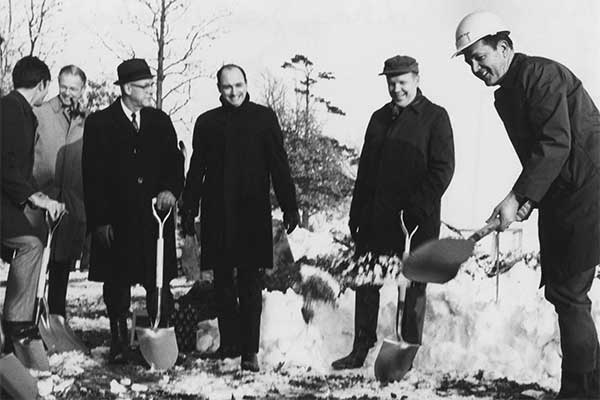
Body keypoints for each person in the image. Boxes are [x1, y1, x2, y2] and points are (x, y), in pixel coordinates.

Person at [453, 10, 600, 398]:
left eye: (479, 56)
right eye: (468, 60)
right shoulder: (510, 92)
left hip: (588, 192)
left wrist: (519, 195)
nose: (474, 66)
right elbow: (542, 156)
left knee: (570, 294)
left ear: (503, 48)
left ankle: (581, 392)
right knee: (562, 291)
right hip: (561, 194)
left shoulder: (541, 77)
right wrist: (527, 199)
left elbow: (556, 145)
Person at [332, 55, 455, 371]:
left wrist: (418, 207)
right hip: (376, 219)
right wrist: (355, 214)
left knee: (412, 288)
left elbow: (443, 169)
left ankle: (404, 354)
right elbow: (366, 172)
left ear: (416, 78)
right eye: (391, 82)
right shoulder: (378, 118)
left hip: (415, 224)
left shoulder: (435, 117)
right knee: (368, 282)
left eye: (402, 82)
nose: (396, 88)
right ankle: (360, 348)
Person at [181, 64, 300, 372]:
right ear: (219, 89)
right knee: (221, 283)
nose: (233, 92)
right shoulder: (207, 122)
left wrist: (290, 205)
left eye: (238, 85)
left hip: (251, 213)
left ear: (247, 84)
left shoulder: (263, 118)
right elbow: (196, 170)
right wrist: (188, 208)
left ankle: (249, 350)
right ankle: (230, 344)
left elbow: (279, 164)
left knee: (249, 283)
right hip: (217, 213)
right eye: (227, 87)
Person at [82, 58, 183, 364]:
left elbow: (174, 163)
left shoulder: (159, 121)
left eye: (150, 84)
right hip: (118, 220)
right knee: (117, 283)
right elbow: (92, 176)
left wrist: (170, 190)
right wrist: (99, 221)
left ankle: (158, 331)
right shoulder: (100, 124)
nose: (150, 90)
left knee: (158, 280)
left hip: (154, 220)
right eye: (144, 86)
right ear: (126, 88)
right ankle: (117, 339)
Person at [1, 56, 65, 351]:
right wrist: (34, 197)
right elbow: (4, 164)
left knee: (33, 241)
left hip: (7, 200)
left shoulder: (20, 110)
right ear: (42, 84)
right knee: (29, 245)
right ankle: (16, 323)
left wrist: (42, 197)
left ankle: (17, 320)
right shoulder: (11, 110)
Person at [33, 65, 88, 317]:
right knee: (34, 263)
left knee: (61, 265)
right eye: (63, 87)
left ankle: (55, 318)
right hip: (40, 201)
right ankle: (26, 319)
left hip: (71, 204)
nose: (67, 93)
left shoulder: (85, 121)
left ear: (82, 89)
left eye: (73, 89)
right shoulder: (40, 114)